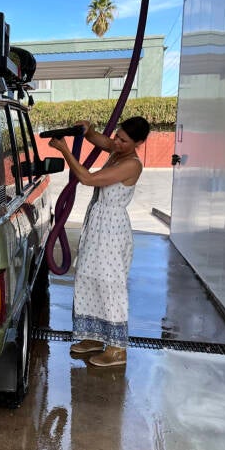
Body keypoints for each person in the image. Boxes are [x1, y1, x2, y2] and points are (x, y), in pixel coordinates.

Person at [48, 116, 151, 367]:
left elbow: (88, 179)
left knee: (109, 284)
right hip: (97, 224)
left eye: (123, 140)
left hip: (112, 230)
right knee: (87, 276)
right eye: (117, 135)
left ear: (138, 143)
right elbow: (102, 140)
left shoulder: (132, 164)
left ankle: (117, 349)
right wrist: (88, 131)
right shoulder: (118, 151)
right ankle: (93, 337)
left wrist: (64, 150)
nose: (116, 141)